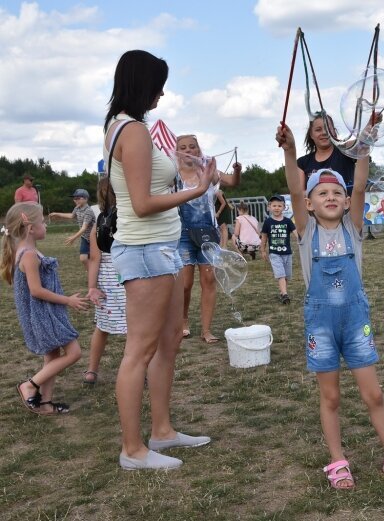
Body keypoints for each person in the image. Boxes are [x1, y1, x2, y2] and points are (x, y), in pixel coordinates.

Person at [276, 123, 384, 489]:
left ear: (346, 202)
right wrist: (290, 150)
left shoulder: (353, 227)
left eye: (336, 192)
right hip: (321, 325)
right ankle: (338, 461)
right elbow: (294, 188)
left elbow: (359, 183)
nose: (330, 197)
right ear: (309, 204)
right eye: (321, 193)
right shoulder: (306, 232)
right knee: (330, 397)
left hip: (355, 320)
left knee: (373, 393)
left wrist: (364, 145)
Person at [104, 49, 214, 470]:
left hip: (162, 250)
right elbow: (144, 203)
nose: (162, 93)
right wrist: (197, 188)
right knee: (140, 350)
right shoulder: (131, 131)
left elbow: (149, 183)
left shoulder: (131, 128)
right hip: (146, 251)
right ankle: (132, 450)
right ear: (141, 84)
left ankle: (162, 432)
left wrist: (188, 170)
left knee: (168, 342)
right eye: (158, 84)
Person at [0, 202, 88, 415]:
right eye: (42, 222)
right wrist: (67, 300)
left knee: (52, 356)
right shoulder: (29, 254)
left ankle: (45, 403)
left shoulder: (27, 250)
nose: (46, 226)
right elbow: (36, 291)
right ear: (31, 228)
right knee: (74, 352)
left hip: (45, 313)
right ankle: (30, 385)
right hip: (43, 314)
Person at [174, 134, 241, 344]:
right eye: (183, 147)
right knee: (185, 283)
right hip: (182, 234)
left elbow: (232, 182)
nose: (188, 151)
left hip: (207, 233)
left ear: (198, 149)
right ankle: (183, 320)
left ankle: (206, 330)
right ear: (177, 152)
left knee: (209, 280)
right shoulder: (173, 175)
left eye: (192, 147)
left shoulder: (208, 170)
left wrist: (237, 170)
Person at [84, 176, 127, 385]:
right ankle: (136, 370)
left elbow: (95, 258)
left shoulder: (99, 222)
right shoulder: (128, 219)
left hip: (107, 281)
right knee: (136, 329)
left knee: (102, 326)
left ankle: (91, 371)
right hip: (128, 277)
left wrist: (92, 287)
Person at [296, 113, 356, 195]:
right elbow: (299, 194)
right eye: (318, 129)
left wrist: (370, 127)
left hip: (346, 207)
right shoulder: (301, 163)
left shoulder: (345, 150)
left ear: (334, 132)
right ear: (311, 134)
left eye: (328, 128)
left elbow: (362, 141)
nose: (324, 132)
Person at [48, 188, 95, 272]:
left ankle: (95, 274)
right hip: (85, 237)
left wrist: (74, 237)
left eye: (78, 198)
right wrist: (57, 214)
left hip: (93, 238)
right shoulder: (77, 208)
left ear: (86, 199)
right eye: (74, 198)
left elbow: (84, 228)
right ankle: (91, 274)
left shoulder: (89, 211)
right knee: (83, 259)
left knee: (94, 258)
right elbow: (71, 216)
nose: (75, 200)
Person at [260, 195, 296, 303]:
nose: (276, 208)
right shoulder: (268, 222)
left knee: (286, 275)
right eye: (274, 205)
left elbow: (296, 233)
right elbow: (264, 237)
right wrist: (263, 250)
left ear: (284, 207)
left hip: (287, 253)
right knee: (280, 274)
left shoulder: (288, 221)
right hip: (274, 253)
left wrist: (302, 240)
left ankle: (282, 291)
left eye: (279, 206)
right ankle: (285, 295)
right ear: (269, 207)